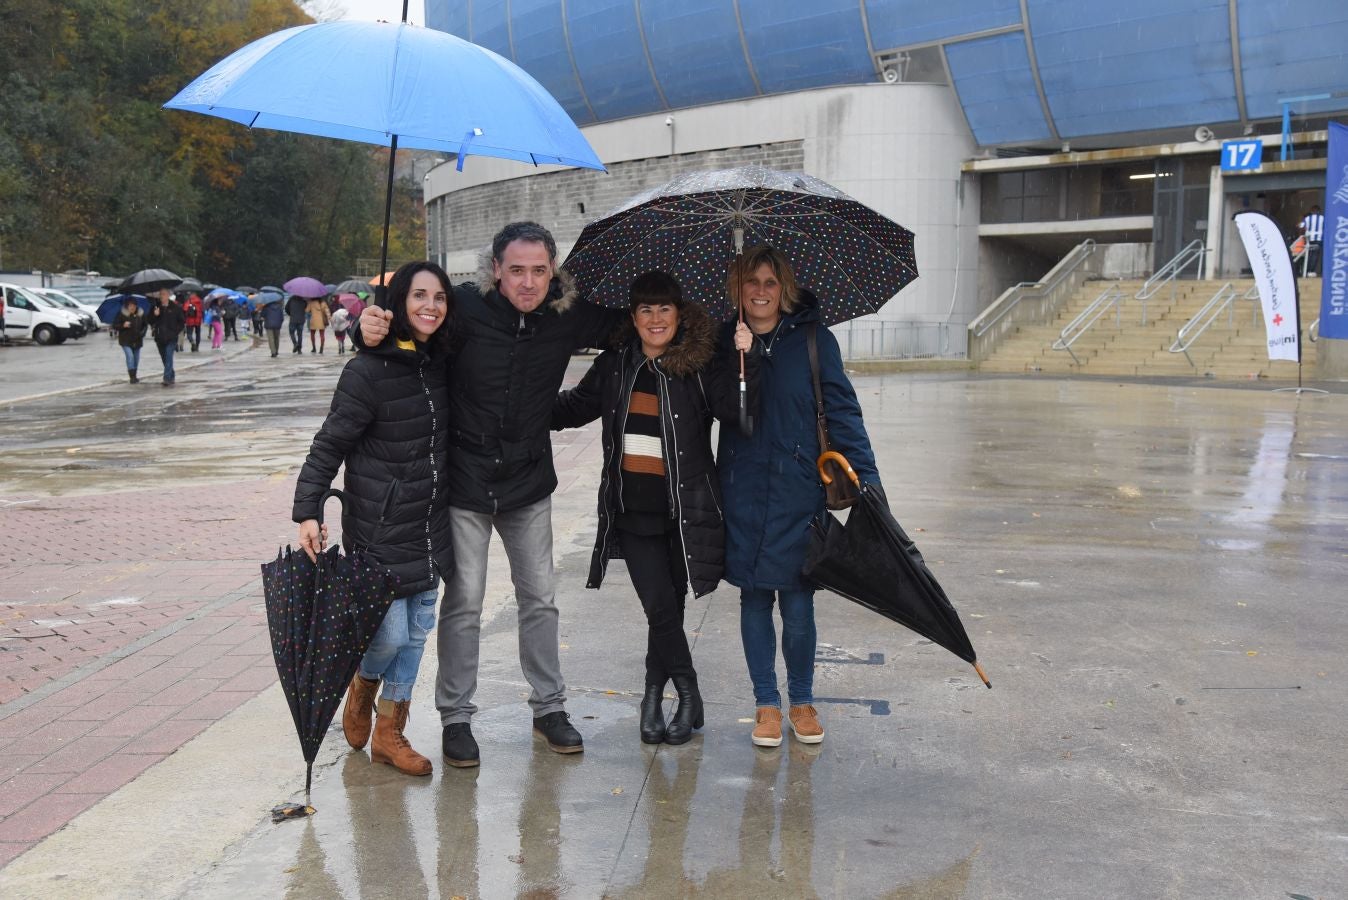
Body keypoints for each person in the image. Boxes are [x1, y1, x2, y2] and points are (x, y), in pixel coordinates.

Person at [357, 221, 627, 766]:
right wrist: (367, 328)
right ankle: (456, 718)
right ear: (496, 270)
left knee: (541, 600)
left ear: (554, 273)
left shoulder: (566, 315)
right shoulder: (463, 307)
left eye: (539, 271)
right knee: (464, 604)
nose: (528, 282)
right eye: (517, 270)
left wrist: (580, 401)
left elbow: (634, 329)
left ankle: (549, 707)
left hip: (528, 480)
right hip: (465, 481)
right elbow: (409, 324)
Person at [552, 272, 754, 745]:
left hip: (683, 513)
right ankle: (687, 692)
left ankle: (652, 696)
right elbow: (570, 409)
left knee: (668, 611)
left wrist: (747, 358)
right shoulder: (616, 365)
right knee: (660, 607)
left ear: (678, 315)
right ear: (633, 317)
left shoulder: (699, 365)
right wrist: (518, 398)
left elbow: (740, 416)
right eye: (646, 309)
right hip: (633, 513)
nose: (656, 318)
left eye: (664, 309)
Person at [292, 261, 456, 776]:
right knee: (386, 636)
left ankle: (391, 732)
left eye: (440, 297)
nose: (431, 306)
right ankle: (362, 685)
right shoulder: (366, 371)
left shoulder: (442, 362)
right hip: (379, 527)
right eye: (419, 296)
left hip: (429, 527)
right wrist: (308, 511)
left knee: (415, 636)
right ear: (400, 303)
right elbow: (330, 443)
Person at [716, 245, 881, 749]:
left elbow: (843, 412)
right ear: (737, 289)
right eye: (751, 282)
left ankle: (803, 700)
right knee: (752, 597)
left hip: (797, 490)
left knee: (799, 604)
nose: (760, 291)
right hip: (742, 488)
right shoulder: (725, 342)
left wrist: (869, 484)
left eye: (770, 281)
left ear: (784, 287)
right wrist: (737, 358)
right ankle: (766, 703)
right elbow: (718, 409)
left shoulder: (814, 340)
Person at [145, 288, 185, 386]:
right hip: (160, 337)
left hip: (171, 338)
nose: (161, 296)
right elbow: (149, 320)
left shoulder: (175, 307)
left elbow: (182, 321)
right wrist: (155, 315)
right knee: (164, 358)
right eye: (160, 294)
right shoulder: (156, 307)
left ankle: (166, 378)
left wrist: (175, 331)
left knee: (168, 356)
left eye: (163, 294)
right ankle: (171, 375)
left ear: (168, 295)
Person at [112, 297, 148, 383]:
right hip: (125, 340)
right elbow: (115, 325)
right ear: (127, 306)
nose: (132, 307)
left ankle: (134, 375)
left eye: (134, 305)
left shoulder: (141, 313)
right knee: (130, 356)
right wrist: (123, 325)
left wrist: (142, 333)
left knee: (136, 358)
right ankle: (132, 377)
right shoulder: (121, 314)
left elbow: (145, 325)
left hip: (137, 340)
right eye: (130, 305)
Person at [1299, 204, 1324, 276]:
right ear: (1319, 211)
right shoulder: (1322, 218)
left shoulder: (1307, 218)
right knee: (1315, 255)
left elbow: (1301, 226)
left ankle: (1306, 270)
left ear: (1311, 211)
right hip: (1319, 238)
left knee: (1309, 254)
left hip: (1309, 238)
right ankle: (1311, 271)